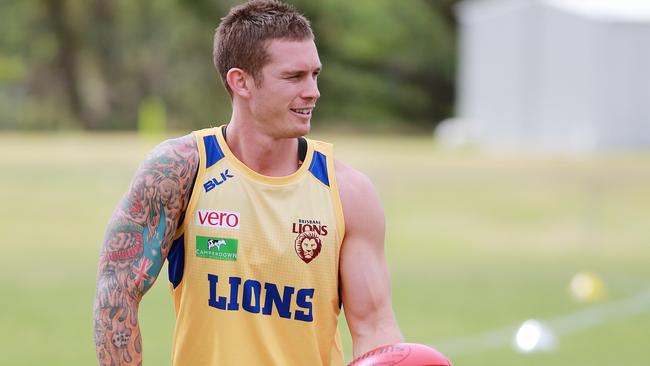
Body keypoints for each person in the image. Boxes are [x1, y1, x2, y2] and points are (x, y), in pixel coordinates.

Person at [93, 1, 403, 364]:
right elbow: (117, 292)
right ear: (240, 81)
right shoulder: (181, 170)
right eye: (294, 77)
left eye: (315, 75)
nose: (313, 91)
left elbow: (375, 329)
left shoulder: (349, 192)